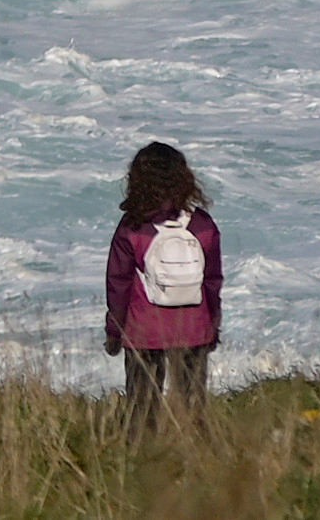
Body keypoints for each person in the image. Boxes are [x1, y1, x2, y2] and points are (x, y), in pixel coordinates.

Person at [102, 140, 222, 436]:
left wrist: (115, 331)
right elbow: (212, 281)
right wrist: (212, 326)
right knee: (192, 409)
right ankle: (198, 467)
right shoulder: (203, 225)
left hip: (143, 330)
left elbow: (118, 285)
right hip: (194, 328)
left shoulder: (131, 227)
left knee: (141, 412)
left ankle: (141, 468)